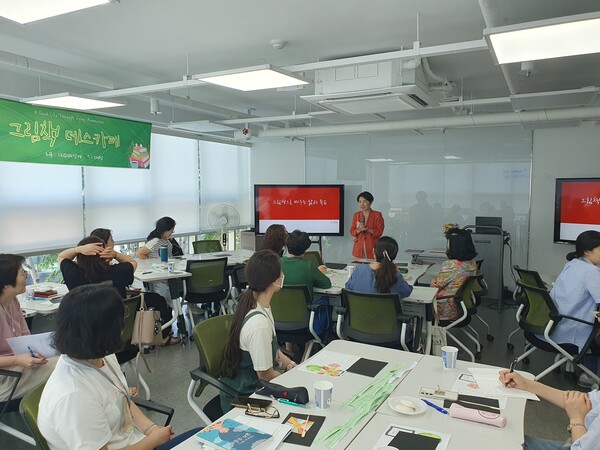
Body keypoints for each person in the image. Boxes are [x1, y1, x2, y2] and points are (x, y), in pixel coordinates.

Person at [37, 284, 179, 449]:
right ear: (107, 331)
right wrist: (154, 440)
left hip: (137, 441)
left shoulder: (102, 356)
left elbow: (121, 399)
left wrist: (151, 429)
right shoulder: (74, 396)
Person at [59, 236, 179, 345]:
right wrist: (115, 254)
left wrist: (77, 250)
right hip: (121, 341)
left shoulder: (73, 274)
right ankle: (163, 337)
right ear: (105, 253)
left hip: (86, 341)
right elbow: (132, 262)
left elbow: (62, 256)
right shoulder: (118, 272)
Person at [219, 250, 297, 412]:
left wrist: (291, 365)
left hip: (256, 388)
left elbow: (272, 348)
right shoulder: (258, 324)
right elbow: (265, 375)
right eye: (281, 272)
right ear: (275, 281)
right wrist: (292, 383)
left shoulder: (260, 305)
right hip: (247, 398)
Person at [542, 230, 600, 387]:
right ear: (588, 252)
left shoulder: (572, 264)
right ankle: (593, 377)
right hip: (571, 328)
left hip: (553, 324)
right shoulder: (592, 272)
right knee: (597, 333)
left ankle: (588, 374)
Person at [0, 254, 56, 402]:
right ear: (6, 282)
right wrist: (18, 360)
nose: (26, 276)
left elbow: (25, 337)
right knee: (67, 368)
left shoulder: (13, 302)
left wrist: (35, 353)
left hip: (19, 366)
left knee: (68, 359)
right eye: (22, 273)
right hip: (5, 377)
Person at [499, 369, 599, 449]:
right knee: (507, 440)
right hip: (580, 441)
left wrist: (577, 420)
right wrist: (525, 384)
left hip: (580, 443)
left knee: (505, 443)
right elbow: (581, 401)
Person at [430, 227, 478, 321]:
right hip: (461, 306)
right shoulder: (472, 263)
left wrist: (432, 282)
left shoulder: (451, 266)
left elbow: (435, 287)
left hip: (444, 308)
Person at [345, 236, 413, 298]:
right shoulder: (395, 276)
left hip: (358, 311)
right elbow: (407, 291)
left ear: (373, 252)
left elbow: (348, 287)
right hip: (384, 311)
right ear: (394, 256)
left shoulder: (359, 270)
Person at [281, 230, 332, 299]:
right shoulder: (308, 266)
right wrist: (314, 276)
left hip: (277, 307)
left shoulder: (275, 263)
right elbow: (326, 284)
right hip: (304, 308)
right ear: (304, 250)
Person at [350, 191, 384, 259]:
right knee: (359, 267)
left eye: (364, 201)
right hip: (359, 248)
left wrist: (368, 230)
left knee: (372, 267)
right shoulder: (356, 215)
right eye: (360, 202)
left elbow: (379, 232)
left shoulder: (377, 215)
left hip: (372, 246)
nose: (362, 204)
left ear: (370, 202)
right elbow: (352, 231)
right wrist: (359, 230)